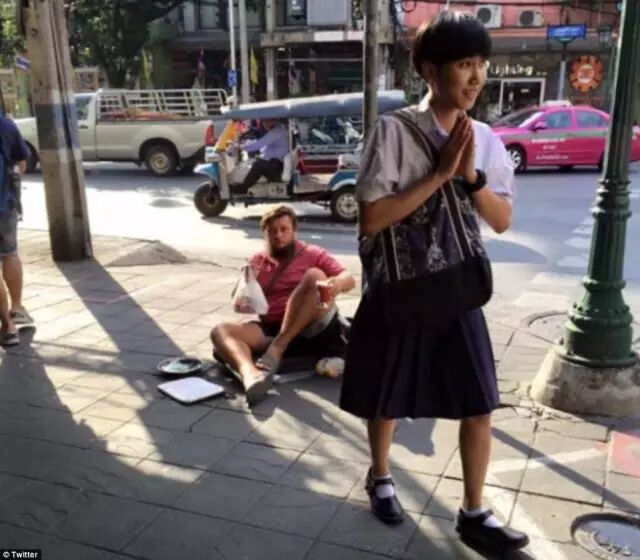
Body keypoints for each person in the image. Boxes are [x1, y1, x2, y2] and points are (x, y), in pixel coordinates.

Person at [339, 11, 529, 553]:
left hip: (456, 287)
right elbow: (372, 219)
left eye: (481, 64)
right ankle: (381, 476)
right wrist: (440, 174)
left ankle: (473, 512)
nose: (476, 76)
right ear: (429, 70)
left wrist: (470, 177)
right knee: (388, 395)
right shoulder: (393, 131)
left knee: (479, 402)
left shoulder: (485, 139)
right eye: (464, 64)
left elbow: (501, 220)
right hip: (403, 287)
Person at [212, 204, 355, 405]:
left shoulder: (313, 253)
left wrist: (337, 283)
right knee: (221, 332)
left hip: (312, 327)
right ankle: (251, 376)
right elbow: (240, 302)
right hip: (273, 327)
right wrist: (246, 285)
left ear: (294, 230)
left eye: (284, 229)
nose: (278, 236)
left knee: (314, 275)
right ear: (265, 234)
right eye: (272, 231)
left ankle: (278, 348)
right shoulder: (257, 260)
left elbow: (349, 278)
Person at [0, 113, 32, 346]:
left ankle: (7, 326)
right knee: (10, 253)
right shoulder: (5, 125)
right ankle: (17, 307)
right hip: (5, 204)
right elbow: (22, 164)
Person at [237, 118, 289, 192]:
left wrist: (242, 147)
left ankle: (243, 189)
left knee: (257, 165)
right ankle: (245, 187)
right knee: (256, 161)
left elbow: (260, 143)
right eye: (265, 121)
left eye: (267, 120)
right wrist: (246, 144)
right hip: (275, 163)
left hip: (276, 166)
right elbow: (262, 142)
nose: (265, 123)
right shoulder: (278, 129)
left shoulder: (277, 131)